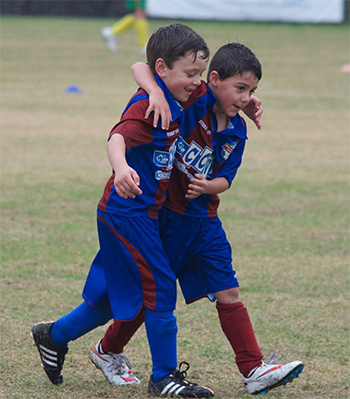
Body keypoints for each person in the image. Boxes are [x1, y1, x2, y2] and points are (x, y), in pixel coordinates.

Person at [93, 42, 304, 396]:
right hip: (168, 220)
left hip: (206, 222)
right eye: (240, 89)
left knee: (229, 289)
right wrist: (153, 92)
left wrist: (210, 185)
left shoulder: (237, 131)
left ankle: (253, 369)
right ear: (215, 80)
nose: (245, 97)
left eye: (252, 91)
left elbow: (227, 179)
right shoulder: (196, 99)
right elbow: (140, 68)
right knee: (153, 298)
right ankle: (108, 348)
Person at [31, 23, 215, 398]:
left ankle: (54, 335)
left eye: (200, 74)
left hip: (143, 215)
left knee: (115, 298)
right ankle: (164, 378)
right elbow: (117, 136)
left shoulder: (176, 94)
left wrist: (243, 101)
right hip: (125, 214)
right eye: (191, 74)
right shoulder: (149, 105)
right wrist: (121, 168)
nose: (197, 82)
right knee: (161, 285)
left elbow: (140, 65)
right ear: (163, 69)